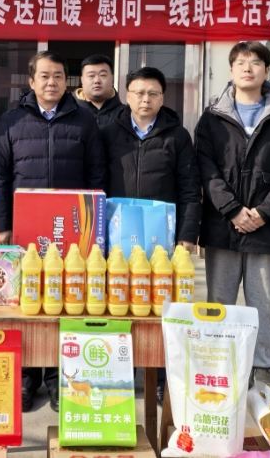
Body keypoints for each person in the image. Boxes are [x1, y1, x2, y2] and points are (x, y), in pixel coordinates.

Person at [0, 50, 106, 412]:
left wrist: (93, 228)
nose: (51, 82)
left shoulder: (85, 121)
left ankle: (59, 378)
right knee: (26, 299)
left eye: (58, 76)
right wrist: (1, 226)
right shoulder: (11, 121)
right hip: (24, 229)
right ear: (31, 81)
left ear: (66, 81)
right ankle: (26, 377)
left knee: (62, 298)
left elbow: (97, 176)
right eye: (44, 76)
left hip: (70, 229)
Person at [195, 41, 270, 387]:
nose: (248, 68)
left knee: (262, 304)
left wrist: (263, 212)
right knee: (219, 302)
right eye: (241, 62)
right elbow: (206, 168)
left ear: (266, 71)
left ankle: (262, 368)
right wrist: (232, 209)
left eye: (255, 62)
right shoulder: (212, 118)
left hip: (266, 226)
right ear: (231, 70)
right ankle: (218, 365)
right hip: (221, 224)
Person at [101, 66, 201, 403]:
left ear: (162, 97)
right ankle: (122, 373)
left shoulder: (177, 136)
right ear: (127, 96)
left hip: (162, 238)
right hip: (116, 234)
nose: (146, 99)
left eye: (153, 93)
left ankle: (159, 376)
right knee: (120, 299)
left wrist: (187, 236)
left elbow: (190, 188)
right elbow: (96, 182)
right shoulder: (108, 131)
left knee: (160, 304)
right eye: (139, 93)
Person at [75, 53, 124, 128]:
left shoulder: (127, 114)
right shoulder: (67, 111)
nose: (97, 81)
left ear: (112, 79)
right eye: (91, 76)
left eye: (102, 75)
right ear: (82, 80)